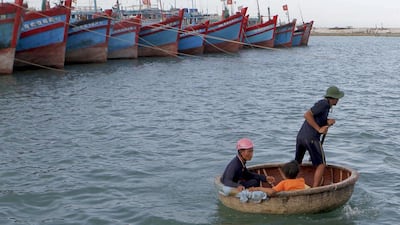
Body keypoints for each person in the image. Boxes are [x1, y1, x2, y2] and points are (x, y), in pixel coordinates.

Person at [295, 86, 344, 187]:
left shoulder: (326, 107)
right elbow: (307, 115)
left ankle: (292, 183)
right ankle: (315, 188)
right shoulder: (324, 104)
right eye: (337, 98)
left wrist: (327, 122)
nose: (338, 100)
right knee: (321, 164)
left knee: (297, 162)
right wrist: (318, 129)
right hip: (311, 138)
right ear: (332, 98)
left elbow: (317, 119)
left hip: (301, 137)